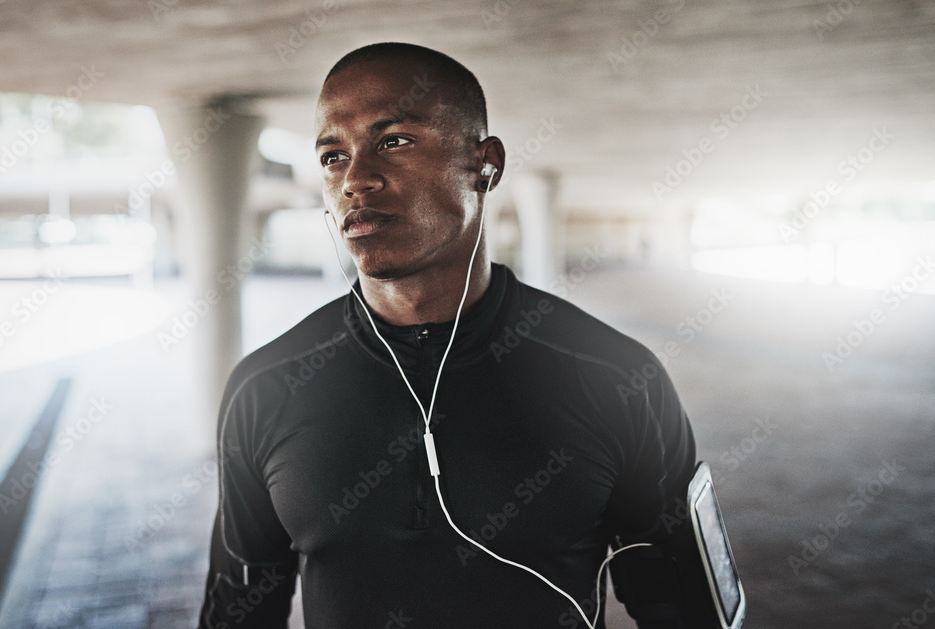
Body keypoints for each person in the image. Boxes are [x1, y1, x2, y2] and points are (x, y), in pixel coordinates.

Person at [198, 42, 696, 629]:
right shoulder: (267, 386)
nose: (356, 179)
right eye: (333, 156)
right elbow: (237, 611)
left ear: (485, 164)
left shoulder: (615, 375)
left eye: (394, 141)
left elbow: (686, 604)